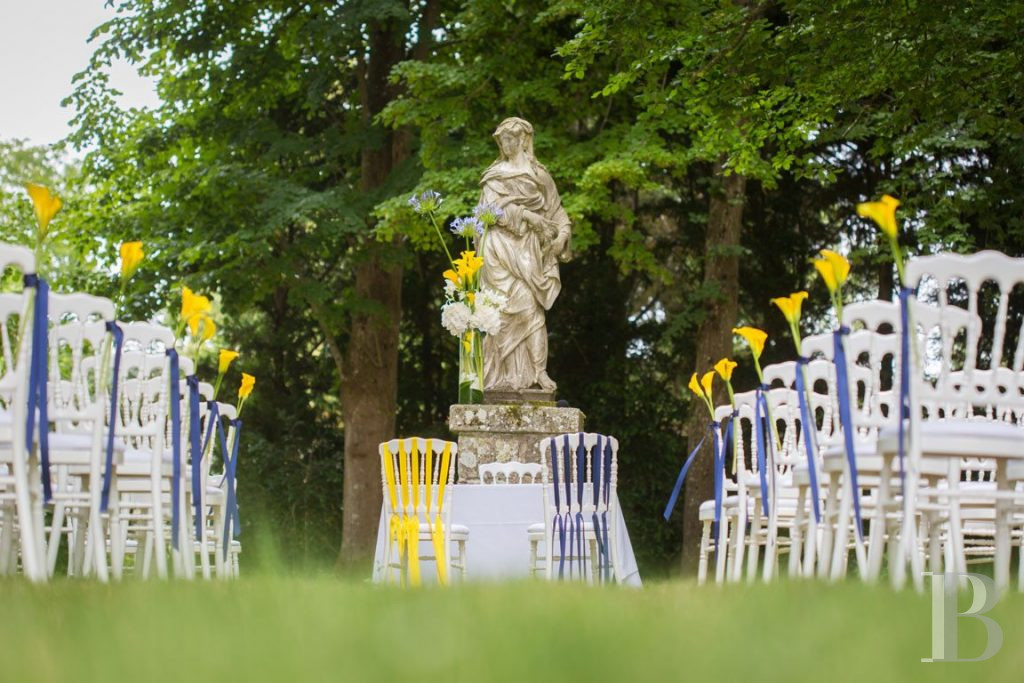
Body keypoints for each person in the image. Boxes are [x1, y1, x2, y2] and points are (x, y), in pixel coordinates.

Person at [477, 117, 571, 393]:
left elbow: (557, 212)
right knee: (498, 314)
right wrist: (528, 215)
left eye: (510, 139)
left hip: (528, 252)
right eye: (502, 140)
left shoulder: (538, 174)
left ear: (522, 141)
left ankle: (538, 373)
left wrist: (562, 236)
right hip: (499, 251)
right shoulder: (493, 176)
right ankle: (496, 378)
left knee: (531, 310)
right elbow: (487, 213)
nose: (505, 144)